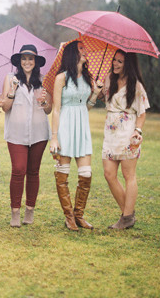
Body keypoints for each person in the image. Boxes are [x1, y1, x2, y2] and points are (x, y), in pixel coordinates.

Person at [49, 40, 102, 231]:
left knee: (86, 174)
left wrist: (95, 94)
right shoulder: (61, 78)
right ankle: (69, 217)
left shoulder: (88, 78)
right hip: (64, 126)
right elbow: (56, 109)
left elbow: (85, 107)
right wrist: (54, 137)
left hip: (82, 127)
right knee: (62, 174)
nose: (85, 51)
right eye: (81, 49)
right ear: (72, 53)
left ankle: (79, 215)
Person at [1, 44, 51, 228]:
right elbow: (5, 107)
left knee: (33, 171)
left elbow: (48, 110)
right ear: (19, 61)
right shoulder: (10, 79)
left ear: (36, 61)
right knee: (18, 169)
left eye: (30, 59)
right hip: (16, 133)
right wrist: (12, 92)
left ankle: (30, 210)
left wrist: (44, 102)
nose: (27, 62)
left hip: (39, 133)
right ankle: (15, 212)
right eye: (24, 59)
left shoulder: (44, 80)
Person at [98, 50, 149, 229]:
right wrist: (97, 88)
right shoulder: (108, 79)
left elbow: (142, 113)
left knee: (129, 175)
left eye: (120, 61)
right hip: (110, 134)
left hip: (128, 134)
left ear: (128, 64)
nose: (115, 63)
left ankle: (126, 217)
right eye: (114, 60)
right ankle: (128, 215)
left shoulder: (136, 85)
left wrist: (138, 131)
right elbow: (101, 98)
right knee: (109, 174)